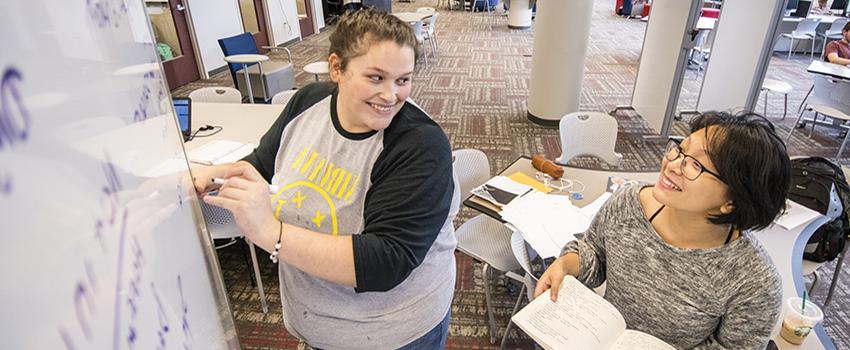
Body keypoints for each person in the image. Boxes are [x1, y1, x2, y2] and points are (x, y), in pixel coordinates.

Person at [195, 8, 458, 349]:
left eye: (403, 79)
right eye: (376, 77)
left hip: (391, 334)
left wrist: (271, 233)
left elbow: (385, 261)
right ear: (337, 68)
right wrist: (205, 175)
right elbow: (263, 164)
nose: (391, 95)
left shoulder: (419, 146)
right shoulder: (308, 103)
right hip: (315, 322)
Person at [534, 112, 790, 349]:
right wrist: (567, 264)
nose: (673, 164)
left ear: (731, 202)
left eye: (695, 166)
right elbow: (595, 254)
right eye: (680, 149)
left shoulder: (754, 283)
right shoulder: (628, 204)